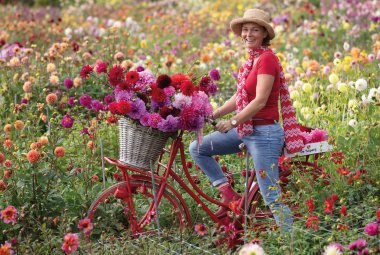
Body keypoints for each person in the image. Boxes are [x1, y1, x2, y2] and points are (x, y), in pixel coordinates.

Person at [189, 8, 304, 232]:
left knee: (271, 196)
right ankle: (230, 195)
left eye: (254, 30)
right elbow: (238, 97)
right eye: (245, 30)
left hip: (265, 135)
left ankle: (292, 243)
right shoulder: (251, 61)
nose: (248, 34)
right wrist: (213, 115)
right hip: (246, 131)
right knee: (198, 148)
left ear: (264, 34)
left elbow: (260, 101)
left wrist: (232, 122)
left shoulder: (267, 59)